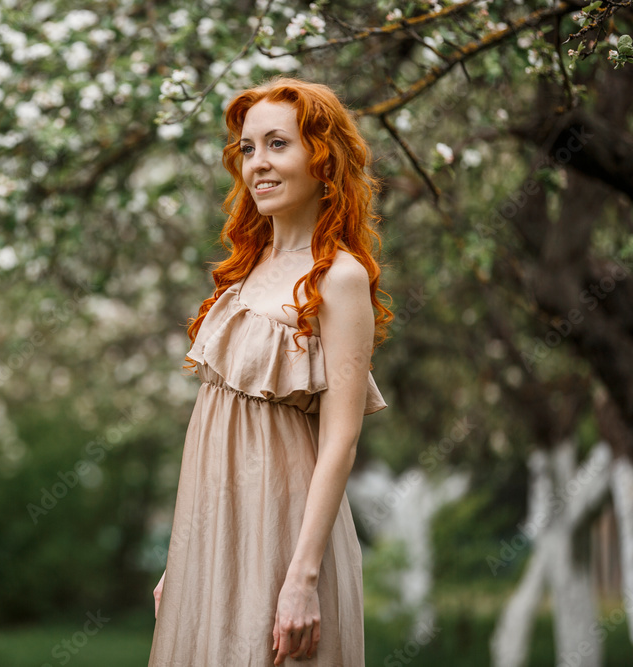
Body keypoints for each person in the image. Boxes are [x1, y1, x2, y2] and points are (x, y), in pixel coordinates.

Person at [148, 75, 392, 666]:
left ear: (324, 160)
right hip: (213, 534)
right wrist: (179, 558)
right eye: (249, 148)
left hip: (284, 536)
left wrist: (302, 577)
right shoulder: (244, 270)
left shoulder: (339, 278)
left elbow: (341, 439)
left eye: (278, 144)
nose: (258, 162)